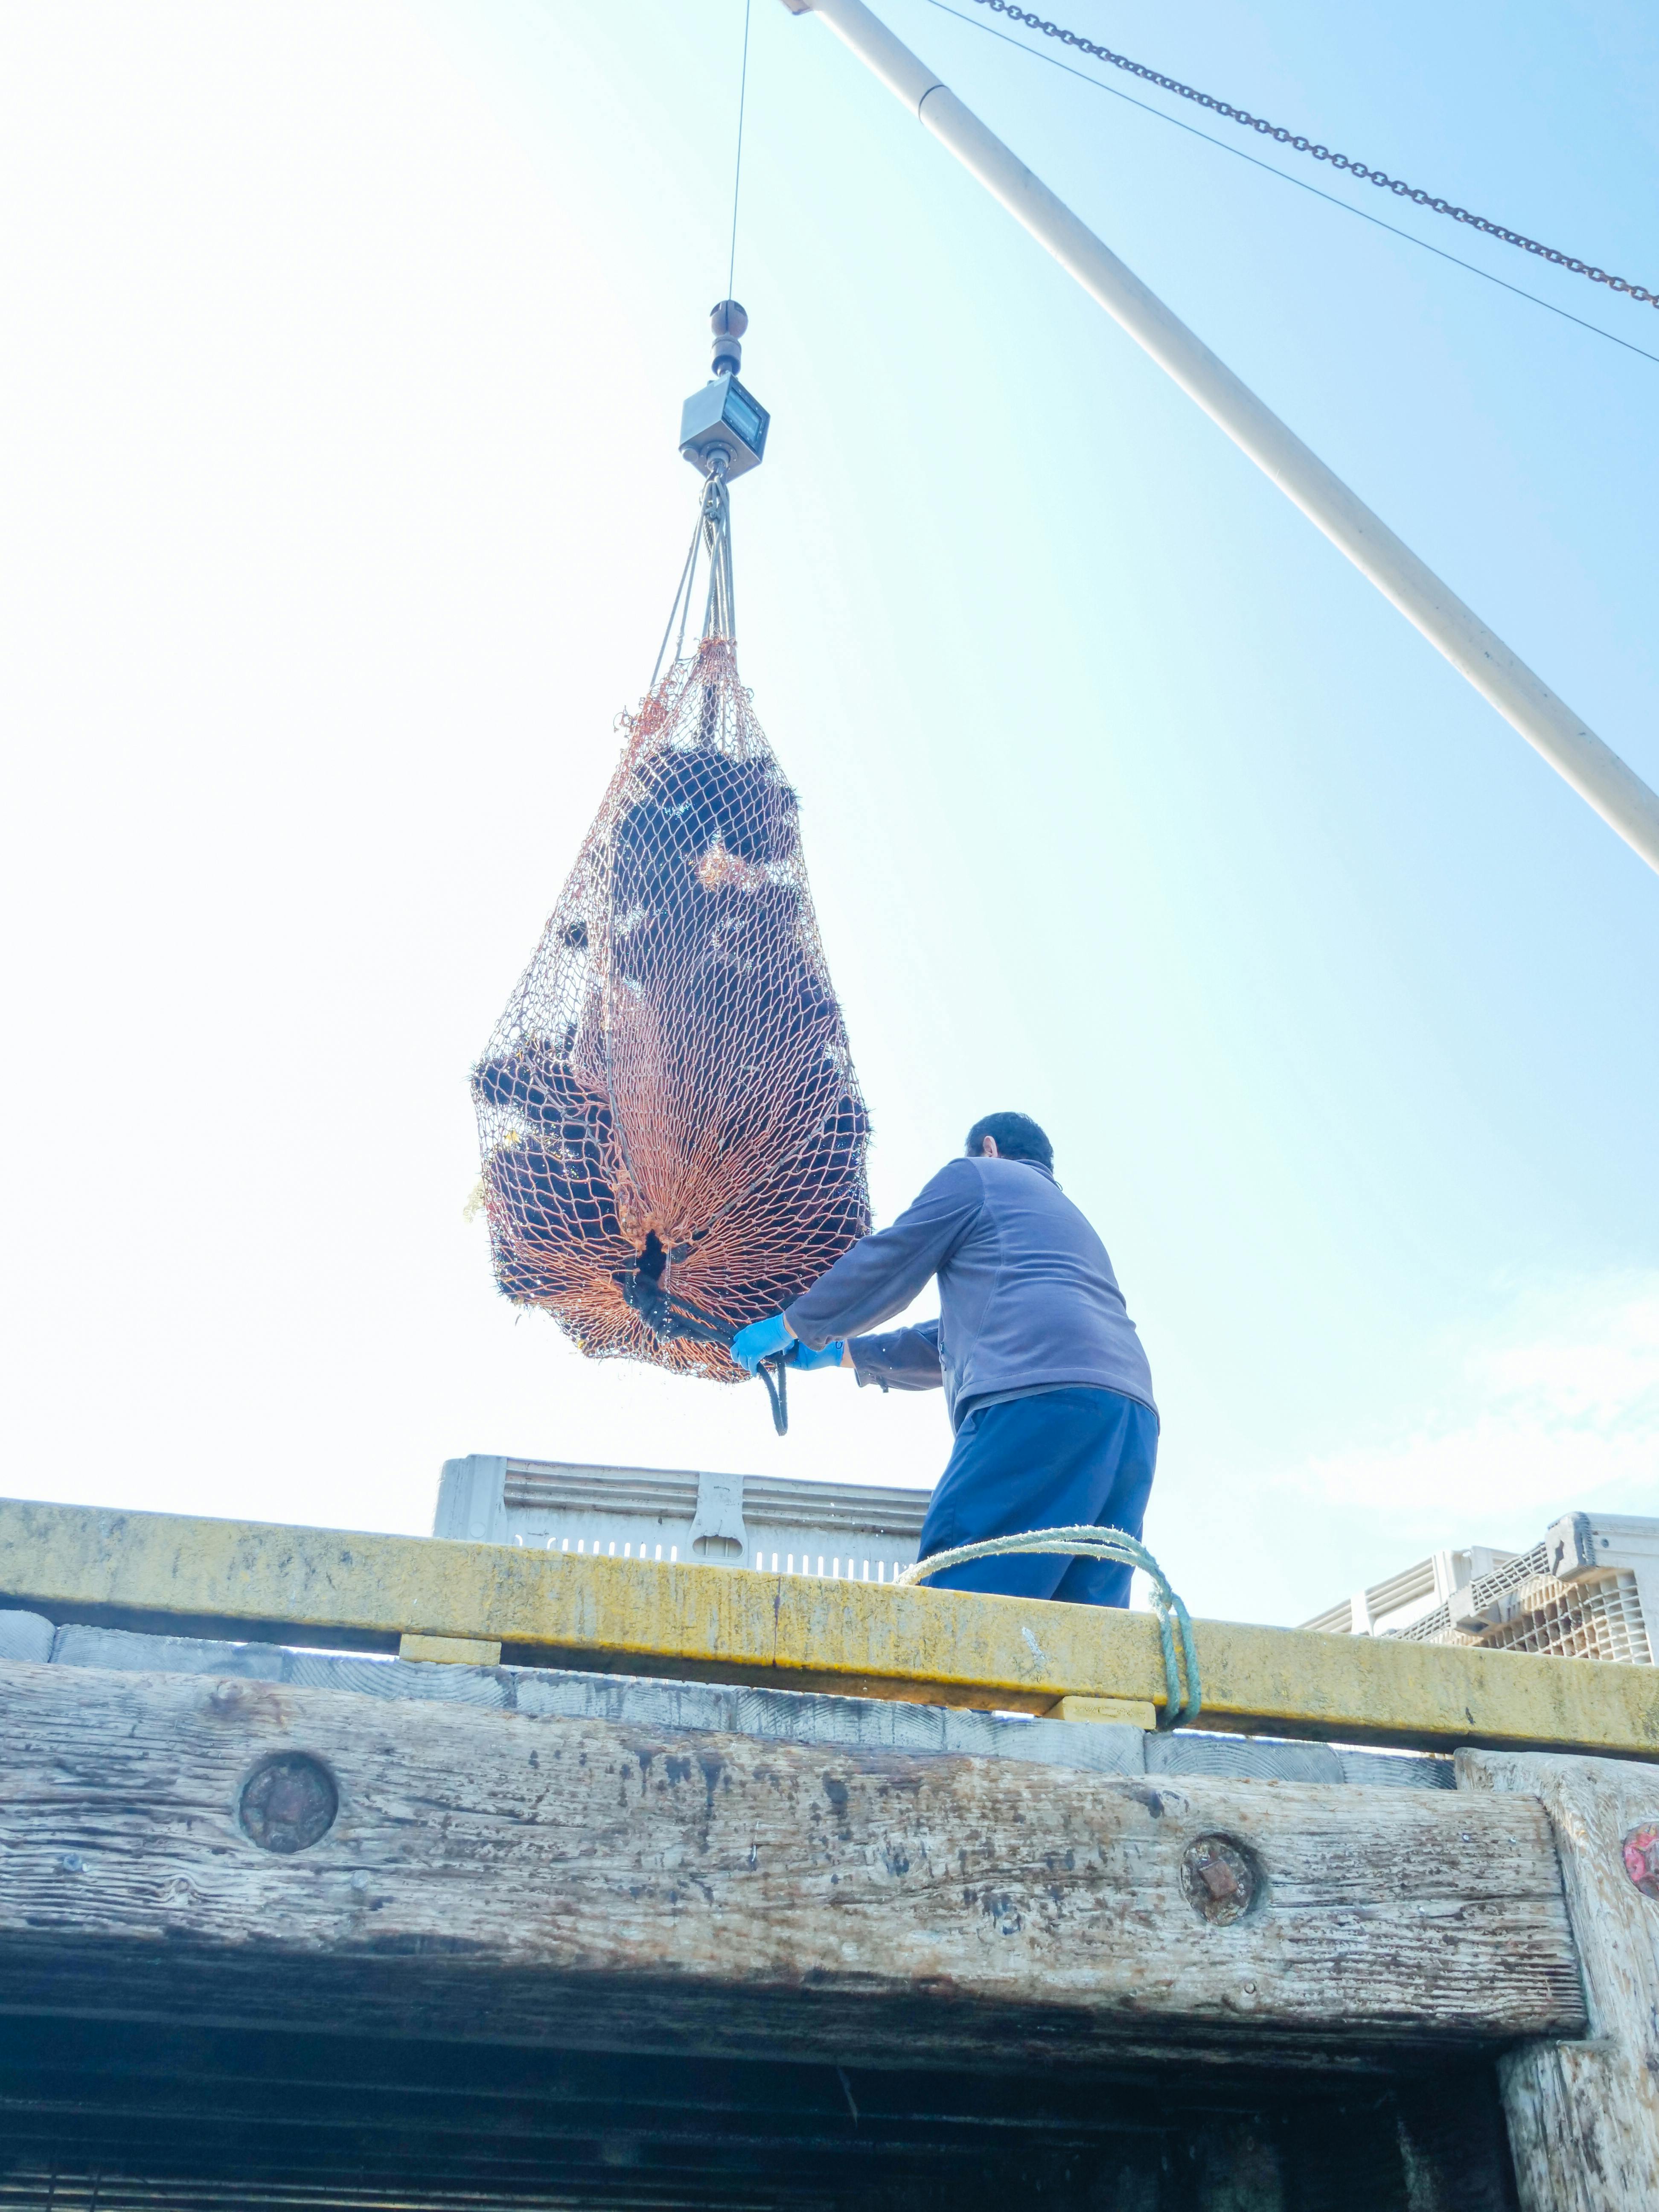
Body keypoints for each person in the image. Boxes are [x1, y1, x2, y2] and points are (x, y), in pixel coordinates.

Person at [730, 1112, 1156, 1605]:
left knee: (961, 1590)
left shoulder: (979, 1176)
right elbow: (962, 1338)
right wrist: (843, 1353)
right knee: (1081, 1632)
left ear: (989, 1147)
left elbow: (892, 1258)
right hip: (1131, 1425)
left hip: (1035, 1403)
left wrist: (792, 1324)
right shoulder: (1065, 1222)